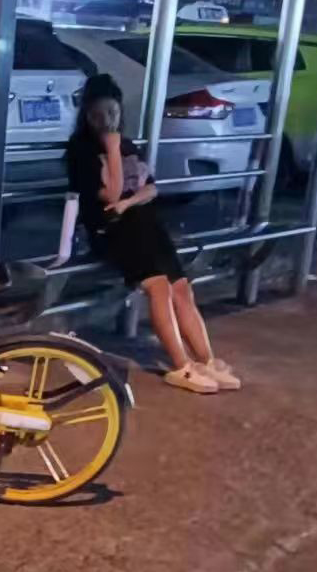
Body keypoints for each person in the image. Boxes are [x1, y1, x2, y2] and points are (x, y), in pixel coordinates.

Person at [64, 73, 241, 394]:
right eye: (99, 113)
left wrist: (129, 200)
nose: (107, 120)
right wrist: (112, 150)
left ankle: (206, 360)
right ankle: (181, 366)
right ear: (87, 114)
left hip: (144, 222)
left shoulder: (128, 144)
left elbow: (151, 189)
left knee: (181, 287)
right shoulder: (81, 151)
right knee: (159, 287)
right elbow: (111, 194)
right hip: (111, 230)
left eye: (113, 112)